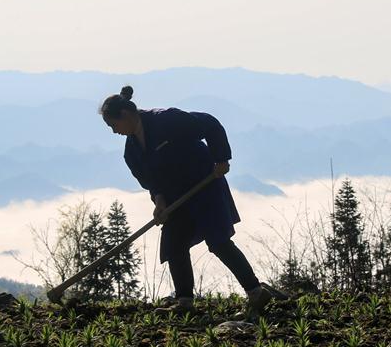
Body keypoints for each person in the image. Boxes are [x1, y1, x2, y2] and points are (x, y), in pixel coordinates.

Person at [99, 85, 273, 313]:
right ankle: (184, 302)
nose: (114, 132)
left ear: (125, 115)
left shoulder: (167, 120)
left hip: (205, 186)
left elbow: (210, 124)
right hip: (175, 198)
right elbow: (151, 181)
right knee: (174, 244)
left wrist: (221, 158)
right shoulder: (131, 151)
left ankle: (256, 292)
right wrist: (159, 201)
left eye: (114, 125)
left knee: (218, 242)